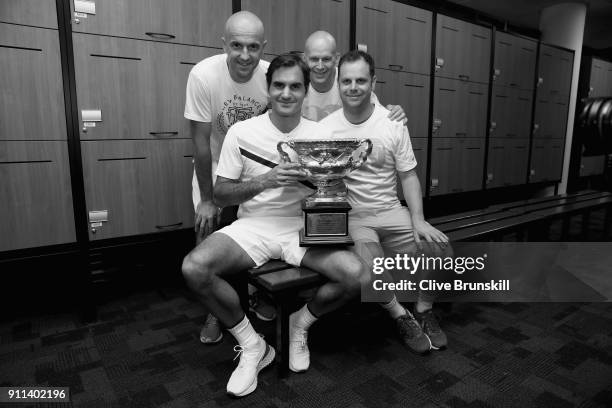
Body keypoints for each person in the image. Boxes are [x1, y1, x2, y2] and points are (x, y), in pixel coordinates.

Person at [181, 54, 369, 397]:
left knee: (358, 277)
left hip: (300, 227)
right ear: (268, 89)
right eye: (279, 85)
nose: (286, 93)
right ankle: (253, 345)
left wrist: (327, 185)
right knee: (194, 268)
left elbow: (340, 188)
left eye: (295, 86)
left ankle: (301, 322)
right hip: (252, 225)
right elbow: (221, 195)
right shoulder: (242, 132)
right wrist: (265, 181)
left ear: (306, 91)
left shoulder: (321, 135)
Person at [320, 50, 452, 353]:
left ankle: (423, 309)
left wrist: (418, 219)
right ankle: (399, 314)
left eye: (361, 80)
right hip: (356, 217)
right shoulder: (326, 128)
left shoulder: (392, 122)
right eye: (347, 81)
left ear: (373, 82)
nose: (353, 87)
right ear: (338, 84)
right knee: (371, 267)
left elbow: (408, 175)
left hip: (393, 211)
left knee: (441, 250)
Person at [183, 11, 275, 344]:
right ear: (224, 44)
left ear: (264, 47)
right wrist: (208, 200)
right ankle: (215, 310)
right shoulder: (203, 75)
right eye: (237, 45)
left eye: (253, 47)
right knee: (207, 231)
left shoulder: (271, 75)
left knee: (261, 227)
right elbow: (201, 145)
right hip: (214, 161)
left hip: (252, 165)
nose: (245, 55)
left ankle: (257, 293)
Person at [301, 30, 406, 123]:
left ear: (336, 59)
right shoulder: (297, 84)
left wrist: (394, 114)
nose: (320, 66)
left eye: (326, 59)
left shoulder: (348, 77)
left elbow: (375, 113)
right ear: (304, 59)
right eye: (314, 59)